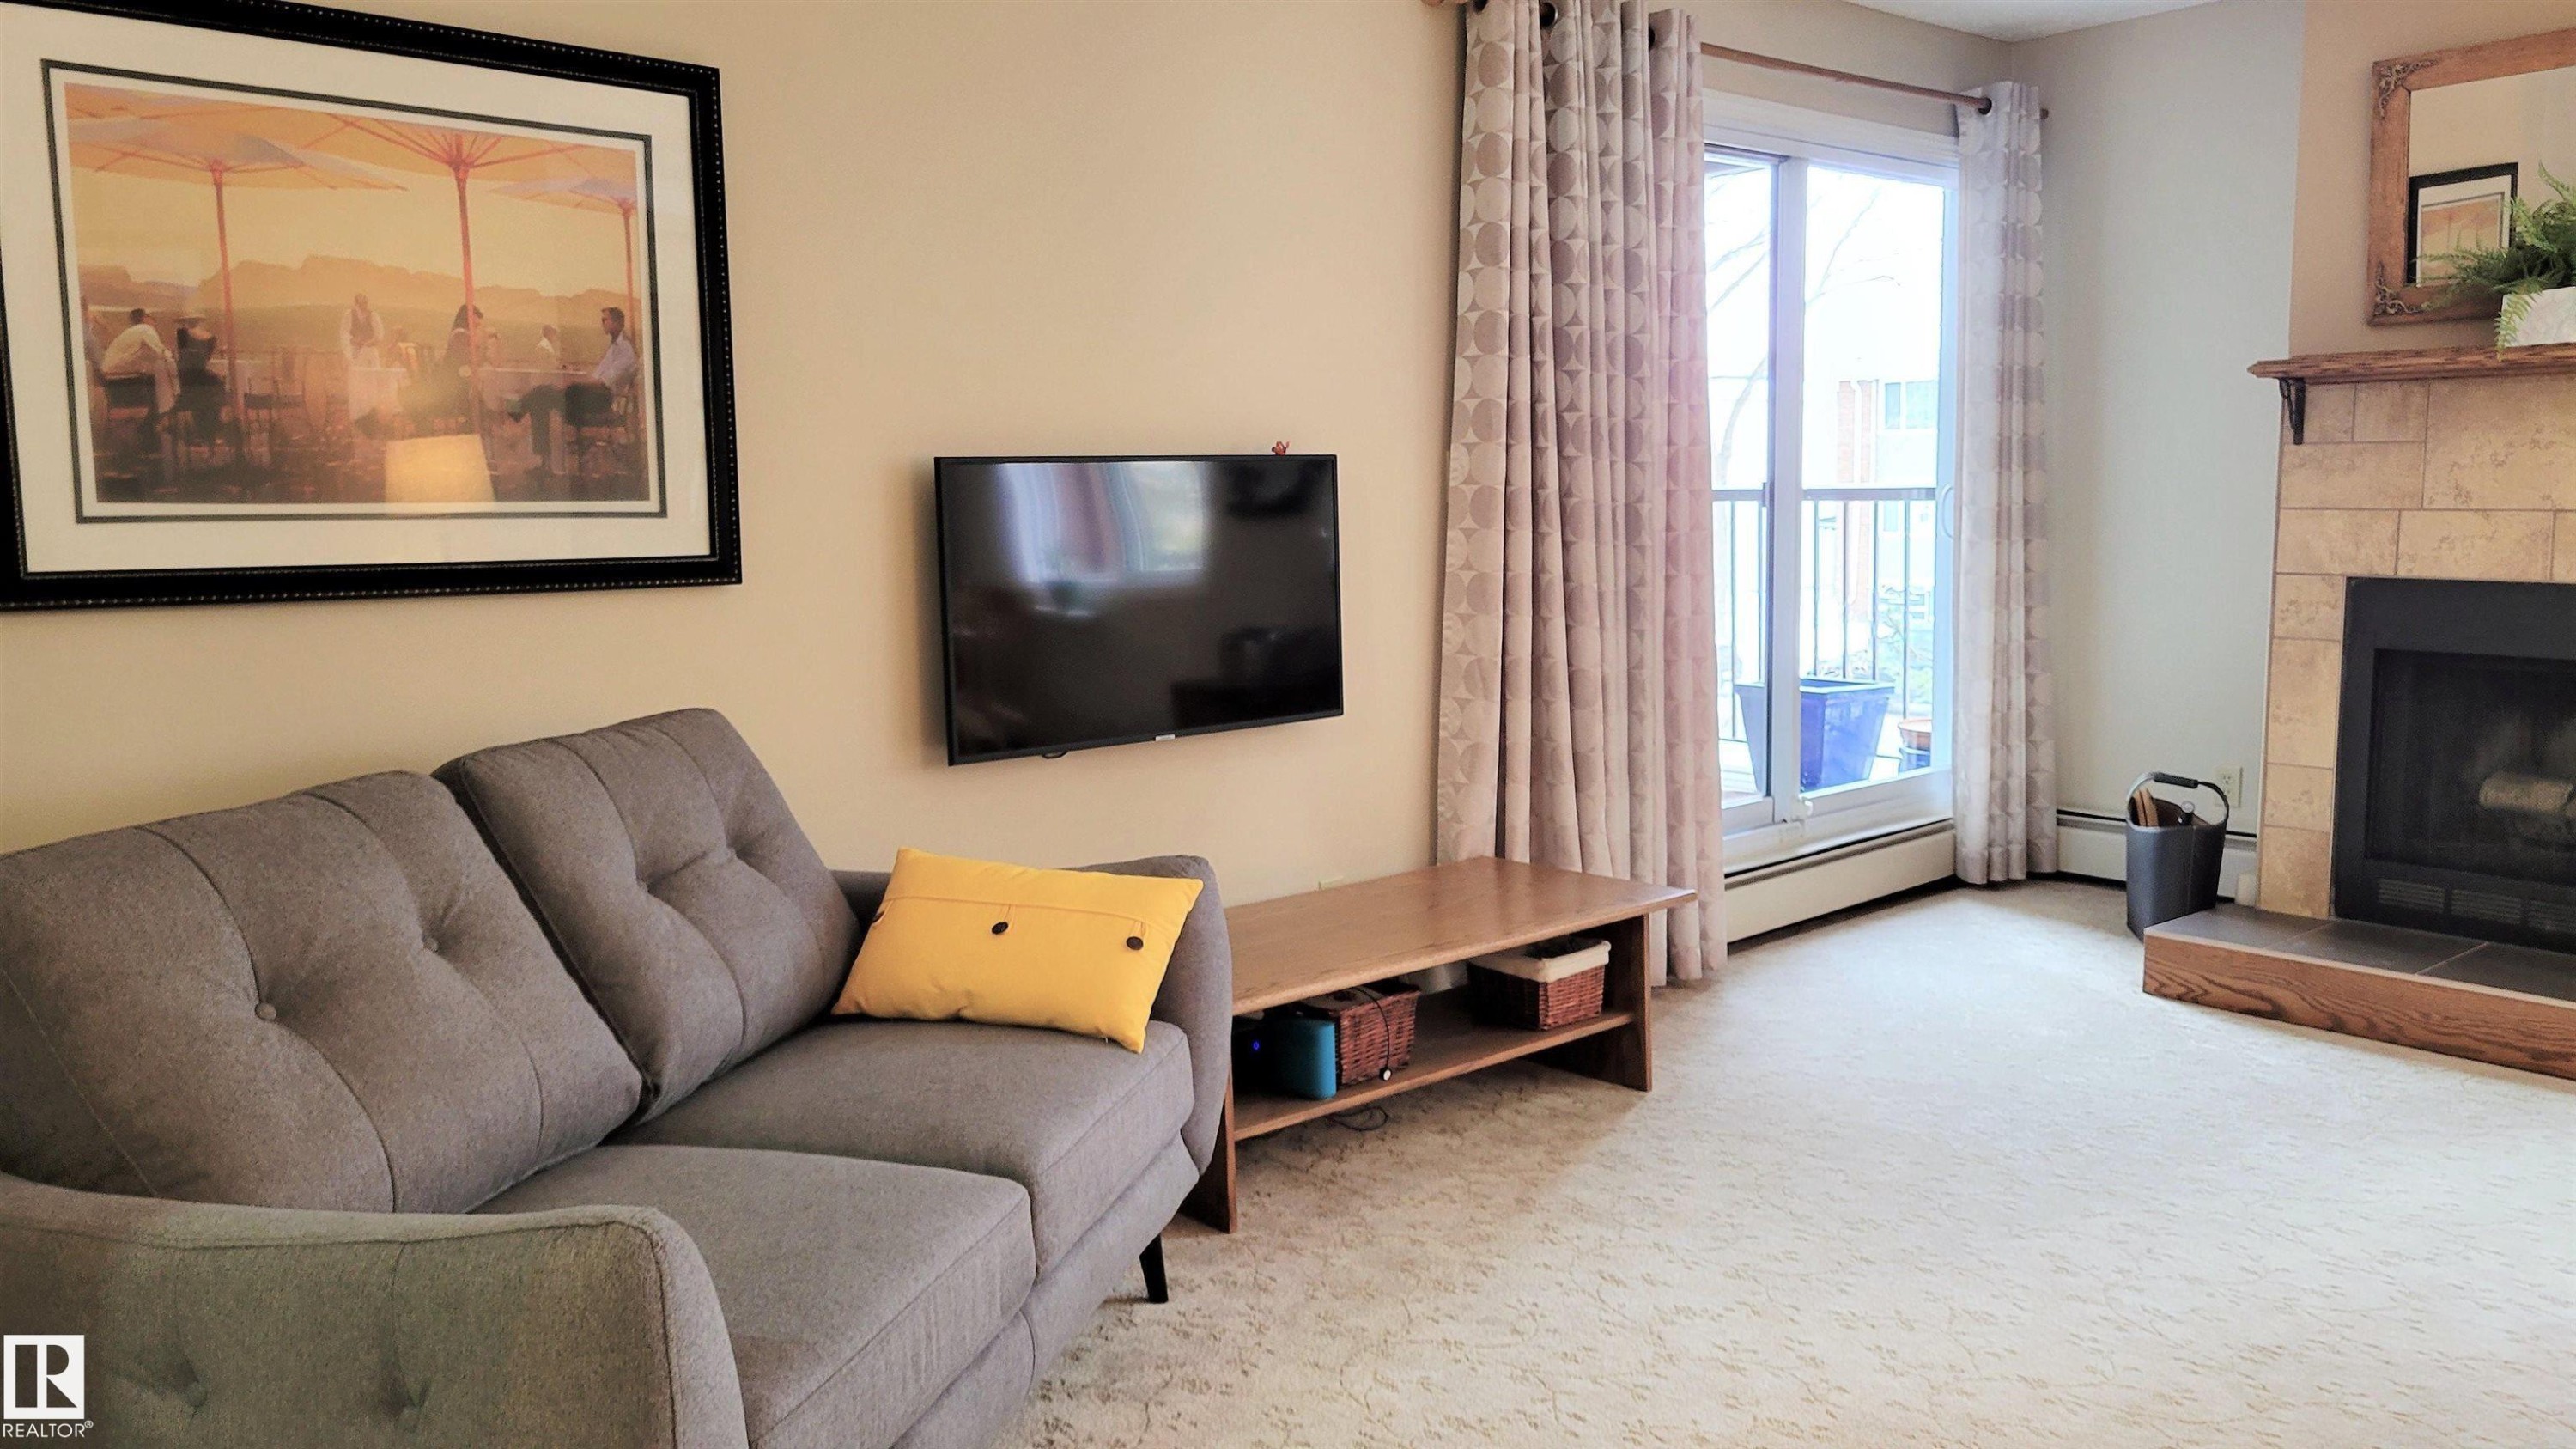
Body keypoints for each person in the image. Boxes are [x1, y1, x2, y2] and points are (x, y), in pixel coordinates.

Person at [99, 307, 173, 413]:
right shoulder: (145, 329)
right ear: (144, 318)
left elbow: (148, 355)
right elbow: (160, 352)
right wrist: (172, 355)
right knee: (162, 394)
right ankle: (149, 426)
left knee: (156, 384)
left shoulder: (133, 331)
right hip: (123, 382)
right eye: (151, 317)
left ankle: (149, 425)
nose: (154, 321)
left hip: (111, 382)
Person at [340, 293, 382, 366]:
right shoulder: (349, 315)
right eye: (361, 304)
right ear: (356, 304)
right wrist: (353, 340)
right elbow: (344, 332)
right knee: (355, 367)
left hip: (370, 349)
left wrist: (372, 341)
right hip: (354, 348)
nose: (363, 306)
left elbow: (379, 333)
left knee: (374, 367)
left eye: (365, 303)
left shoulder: (373, 315)